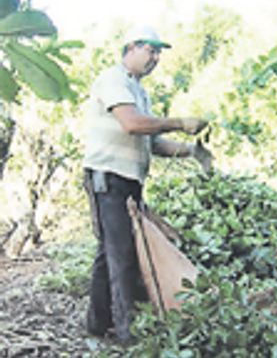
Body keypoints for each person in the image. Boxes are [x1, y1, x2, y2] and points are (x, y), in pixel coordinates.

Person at [81, 25, 212, 343]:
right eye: (150, 51)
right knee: (123, 256)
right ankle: (128, 336)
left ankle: (98, 324)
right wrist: (180, 122)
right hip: (108, 178)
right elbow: (132, 124)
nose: (155, 58)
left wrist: (192, 151)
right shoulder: (113, 79)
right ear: (131, 48)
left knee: (109, 252)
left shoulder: (140, 92)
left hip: (129, 182)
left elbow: (152, 142)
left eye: (158, 53)